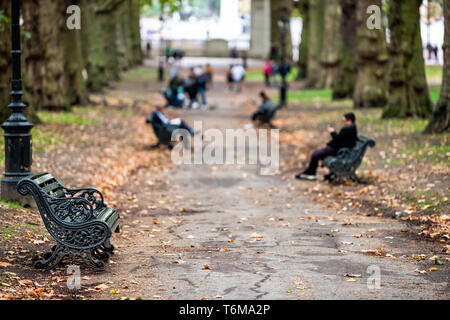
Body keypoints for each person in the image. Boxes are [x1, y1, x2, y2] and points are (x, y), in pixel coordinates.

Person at [296, 113, 358, 181]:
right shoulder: (351, 128)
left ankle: (310, 173)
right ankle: (309, 173)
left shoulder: (348, 129)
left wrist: (332, 132)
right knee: (316, 154)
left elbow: (338, 139)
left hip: (337, 150)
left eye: (344, 121)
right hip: (337, 149)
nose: (343, 122)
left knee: (315, 155)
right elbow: (341, 139)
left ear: (349, 121)